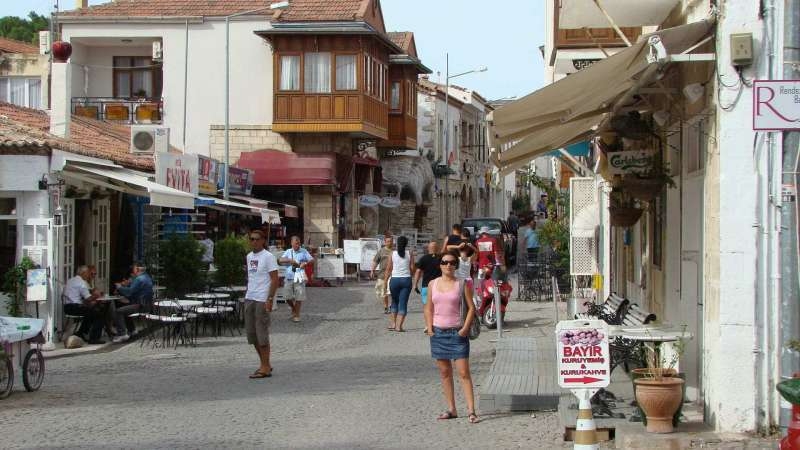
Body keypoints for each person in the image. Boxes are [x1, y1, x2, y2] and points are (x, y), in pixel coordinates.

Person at [424, 249, 479, 424]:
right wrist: (429, 327)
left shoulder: (462, 284)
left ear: (456, 266)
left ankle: (471, 410)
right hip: (438, 333)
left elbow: (471, 308)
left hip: (457, 332)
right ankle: (452, 409)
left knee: (463, 373)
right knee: (445, 373)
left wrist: (464, 328)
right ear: (440, 265)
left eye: (452, 263)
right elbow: (428, 308)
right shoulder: (433, 284)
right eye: (445, 262)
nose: (448, 265)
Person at [244, 229, 279, 379]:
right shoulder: (249, 256)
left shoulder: (268, 257)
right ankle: (265, 363)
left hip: (262, 298)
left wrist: (270, 298)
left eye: (257, 239)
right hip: (250, 297)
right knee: (252, 335)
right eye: (252, 239)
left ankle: (265, 367)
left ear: (263, 240)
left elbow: (275, 279)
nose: (254, 242)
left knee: (262, 334)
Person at [63, 265, 106, 344]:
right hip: (75, 307)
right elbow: (88, 298)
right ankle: (94, 338)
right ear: (83, 273)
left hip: (67, 307)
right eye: (88, 273)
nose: (88, 275)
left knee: (90, 312)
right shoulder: (82, 283)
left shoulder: (70, 280)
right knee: (99, 314)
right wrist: (96, 296)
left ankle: (80, 333)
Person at [112, 263, 153, 343]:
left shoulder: (139, 279)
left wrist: (120, 287)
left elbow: (130, 292)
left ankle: (122, 334)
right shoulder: (147, 277)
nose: (132, 273)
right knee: (126, 309)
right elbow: (136, 292)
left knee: (118, 311)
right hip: (146, 305)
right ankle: (132, 330)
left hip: (140, 305)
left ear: (138, 270)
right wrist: (128, 285)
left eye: (134, 270)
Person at [279, 236, 313, 323]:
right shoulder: (288, 251)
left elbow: (312, 260)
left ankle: (296, 315)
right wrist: (290, 260)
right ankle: (294, 309)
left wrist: (305, 263)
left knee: (299, 297)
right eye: (295, 243)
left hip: (299, 277)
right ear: (291, 243)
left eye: (298, 243)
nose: (297, 245)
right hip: (289, 277)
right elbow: (280, 260)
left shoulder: (303, 251)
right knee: (287, 297)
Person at [384, 235, 414, 332]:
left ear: (396, 244)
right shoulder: (410, 253)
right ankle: (399, 326)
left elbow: (388, 269)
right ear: (406, 244)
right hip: (406, 279)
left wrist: (385, 282)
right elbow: (412, 268)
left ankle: (393, 324)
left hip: (395, 280)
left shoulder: (392, 254)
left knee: (394, 301)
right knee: (403, 302)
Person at [370, 234, 393, 314]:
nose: (389, 243)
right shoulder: (381, 251)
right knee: (383, 292)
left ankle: (391, 306)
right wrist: (372, 270)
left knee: (391, 292)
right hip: (382, 275)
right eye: (388, 241)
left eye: (391, 241)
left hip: (392, 275)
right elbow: (375, 261)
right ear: (385, 242)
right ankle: (386, 307)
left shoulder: (395, 251)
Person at [414, 241, 441, 306]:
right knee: (438, 306)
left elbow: (418, 272)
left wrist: (415, 285)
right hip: (439, 286)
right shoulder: (441, 258)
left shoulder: (423, 258)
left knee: (427, 307)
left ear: (428, 249)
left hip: (426, 286)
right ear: (437, 248)